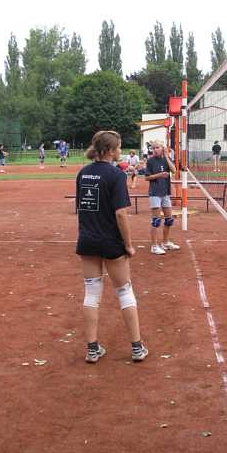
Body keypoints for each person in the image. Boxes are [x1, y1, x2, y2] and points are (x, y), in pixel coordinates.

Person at [76, 130, 148, 364]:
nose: (120, 151)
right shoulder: (116, 175)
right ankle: (137, 347)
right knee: (125, 292)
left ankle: (92, 349)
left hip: (87, 240)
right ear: (109, 151)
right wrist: (129, 245)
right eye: (118, 148)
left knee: (91, 294)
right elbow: (120, 214)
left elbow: (82, 208)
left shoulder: (83, 173)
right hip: (110, 242)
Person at [145, 140, 180, 255]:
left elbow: (174, 170)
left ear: (162, 148)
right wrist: (159, 175)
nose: (155, 150)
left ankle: (165, 243)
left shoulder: (166, 159)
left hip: (165, 193)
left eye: (157, 147)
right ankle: (154, 246)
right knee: (156, 221)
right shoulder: (150, 161)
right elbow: (147, 177)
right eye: (153, 148)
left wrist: (166, 156)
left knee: (169, 219)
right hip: (155, 193)